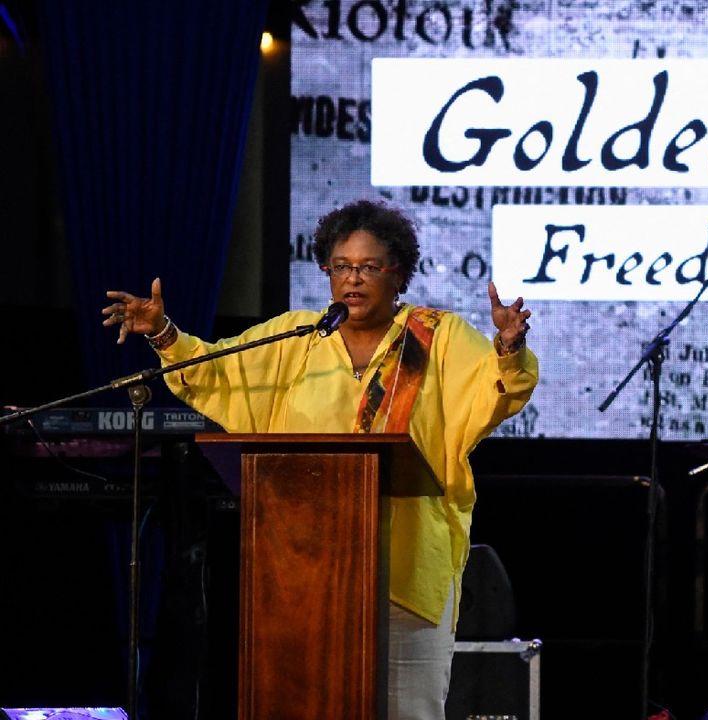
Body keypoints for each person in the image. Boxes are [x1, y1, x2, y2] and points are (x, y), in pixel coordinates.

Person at [101, 199, 538, 719]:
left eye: (369, 267)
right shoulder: (299, 338)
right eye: (341, 267)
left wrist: (508, 347)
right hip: (303, 568)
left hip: (406, 566)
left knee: (408, 710)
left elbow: (497, 389)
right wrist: (163, 333)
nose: (353, 279)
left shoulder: (436, 338)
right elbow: (214, 372)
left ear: (397, 274)